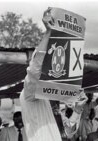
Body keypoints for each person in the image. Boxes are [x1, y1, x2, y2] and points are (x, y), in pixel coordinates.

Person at [19, 8, 87, 141]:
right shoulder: (29, 94)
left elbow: (68, 133)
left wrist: (78, 110)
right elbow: (35, 69)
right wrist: (49, 32)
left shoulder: (53, 100)